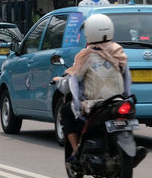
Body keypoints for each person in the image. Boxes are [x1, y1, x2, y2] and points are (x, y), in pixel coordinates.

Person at [52, 13, 145, 167]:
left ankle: (75, 151)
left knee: (66, 111)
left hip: (95, 104)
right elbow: (127, 77)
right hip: (118, 101)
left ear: (89, 33)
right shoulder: (119, 52)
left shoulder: (86, 55)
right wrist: (125, 96)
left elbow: (72, 81)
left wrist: (59, 82)